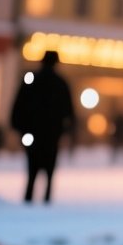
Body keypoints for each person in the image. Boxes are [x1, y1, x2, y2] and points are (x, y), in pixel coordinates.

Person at [10, 51, 75, 204]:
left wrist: (20, 128)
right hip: (52, 135)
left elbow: (18, 107)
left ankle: (29, 198)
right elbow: (69, 112)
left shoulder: (32, 80)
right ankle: (46, 199)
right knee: (49, 172)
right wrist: (64, 131)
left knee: (32, 170)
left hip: (33, 133)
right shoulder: (60, 83)